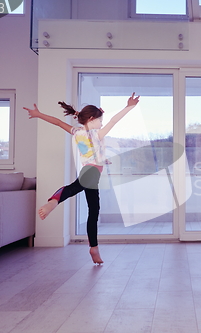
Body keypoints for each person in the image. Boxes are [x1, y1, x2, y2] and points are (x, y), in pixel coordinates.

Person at [24, 93, 140, 264]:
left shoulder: (77, 132)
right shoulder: (97, 134)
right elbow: (114, 121)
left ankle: (94, 248)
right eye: (100, 121)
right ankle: (53, 202)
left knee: (93, 210)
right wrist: (129, 106)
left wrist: (39, 114)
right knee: (75, 192)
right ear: (92, 119)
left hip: (88, 170)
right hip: (92, 173)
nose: (102, 124)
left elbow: (58, 122)